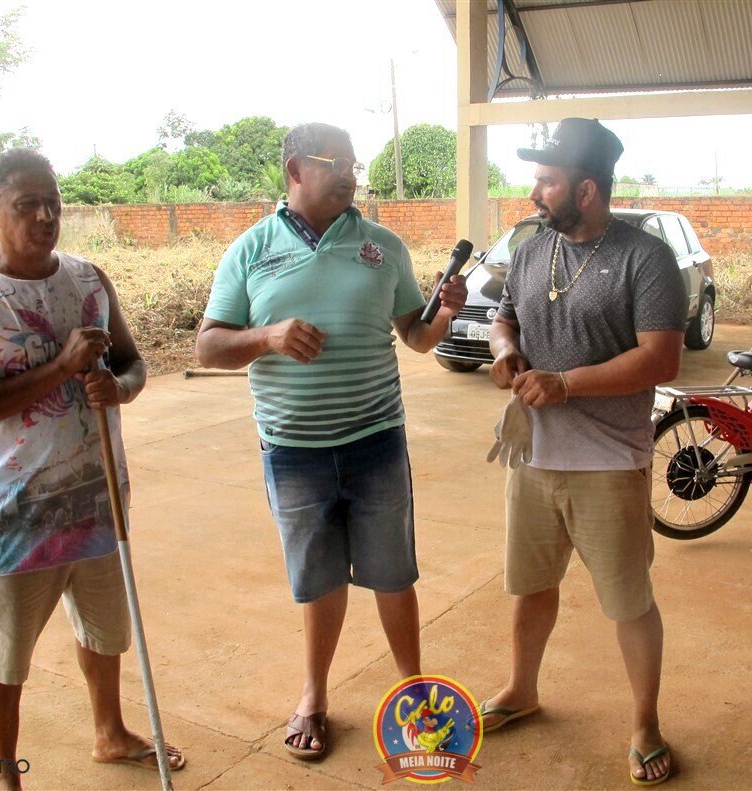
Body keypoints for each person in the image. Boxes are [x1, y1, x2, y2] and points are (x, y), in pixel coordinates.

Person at [195, 122, 467, 760]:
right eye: (334, 162)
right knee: (318, 579)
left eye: (354, 161)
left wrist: (444, 312)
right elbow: (208, 345)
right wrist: (266, 337)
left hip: (376, 439)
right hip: (293, 451)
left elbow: (416, 337)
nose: (350, 173)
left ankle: (416, 696)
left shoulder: (382, 246)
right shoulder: (250, 250)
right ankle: (314, 696)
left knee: (394, 574)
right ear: (294, 170)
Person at [0, 149, 183, 789]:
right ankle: (5, 773)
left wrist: (119, 389)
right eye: (26, 206)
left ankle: (110, 732)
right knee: (7, 651)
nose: (45, 217)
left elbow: (132, 362)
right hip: (15, 512)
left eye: (53, 204)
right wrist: (62, 369)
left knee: (106, 630)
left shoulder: (90, 279)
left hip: (98, 499)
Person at [483, 118, 686, 786]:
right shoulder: (535, 246)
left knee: (627, 600)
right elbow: (503, 314)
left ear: (588, 189)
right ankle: (521, 687)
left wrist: (565, 383)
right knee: (531, 586)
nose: (535, 191)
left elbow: (661, 358)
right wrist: (507, 351)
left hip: (609, 461)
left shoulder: (646, 257)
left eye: (547, 180)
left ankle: (644, 722)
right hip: (533, 454)